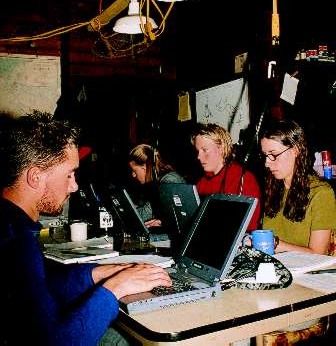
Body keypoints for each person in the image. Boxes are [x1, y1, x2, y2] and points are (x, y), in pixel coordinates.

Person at [0, 111, 172, 346]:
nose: (74, 185)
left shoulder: (13, 225)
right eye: (69, 174)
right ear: (35, 177)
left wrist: (97, 273)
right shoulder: (15, 242)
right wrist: (116, 287)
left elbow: (39, 293)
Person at [260, 118, 336, 254]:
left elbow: (318, 254)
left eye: (273, 154)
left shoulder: (321, 193)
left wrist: (276, 245)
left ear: (295, 150)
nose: (267, 163)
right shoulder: (273, 187)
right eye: (265, 155)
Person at [190, 123, 261, 231]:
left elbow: (248, 227)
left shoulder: (243, 179)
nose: (199, 157)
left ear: (222, 148)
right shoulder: (203, 182)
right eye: (198, 151)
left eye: (204, 150)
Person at [128, 143, 185, 228]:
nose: (133, 175)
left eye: (134, 170)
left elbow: (143, 216)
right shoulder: (154, 183)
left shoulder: (169, 182)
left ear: (144, 168)